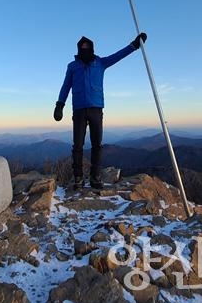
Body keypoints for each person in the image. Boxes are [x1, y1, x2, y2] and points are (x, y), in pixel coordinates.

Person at [54, 33, 147, 190]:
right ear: (78, 49)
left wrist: (134, 45)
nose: (85, 50)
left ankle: (95, 177)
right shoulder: (72, 66)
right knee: (78, 145)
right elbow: (66, 86)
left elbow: (118, 56)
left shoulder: (100, 63)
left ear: (91, 48)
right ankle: (78, 177)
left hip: (96, 108)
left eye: (87, 47)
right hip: (79, 109)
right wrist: (59, 104)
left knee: (97, 144)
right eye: (82, 48)